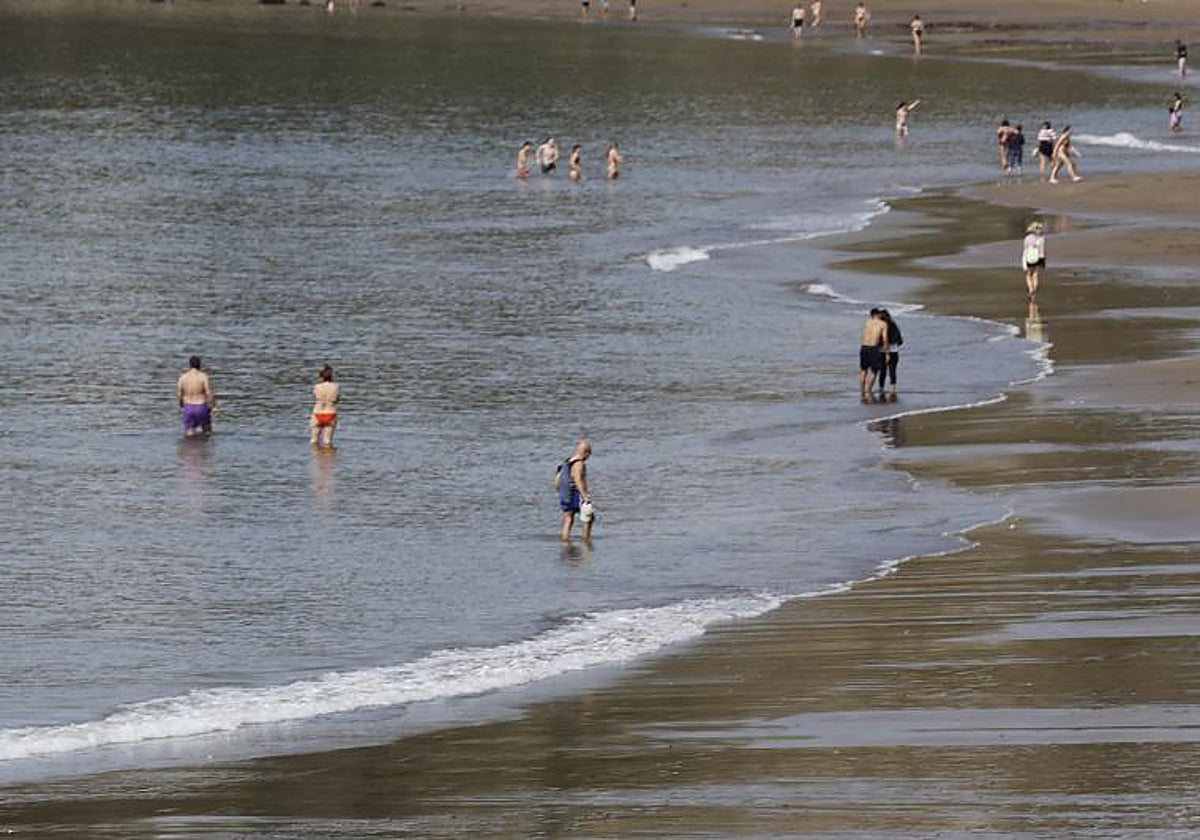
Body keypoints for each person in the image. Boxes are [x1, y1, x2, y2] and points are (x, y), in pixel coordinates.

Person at [557, 439, 594, 542]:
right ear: (586, 453)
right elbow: (577, 480)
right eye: (589, 454)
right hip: (574, 493)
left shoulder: (569, 461)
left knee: (568, 517)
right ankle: (586, 541)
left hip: (566, 493)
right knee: (588, 518)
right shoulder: (579, 464)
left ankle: (565, 540)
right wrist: (584, 496)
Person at [177, 355, 216, 438]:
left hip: (188, 407)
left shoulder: (183, 377)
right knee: (207, 431)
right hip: (201, 406)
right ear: (199, 365)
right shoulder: (203, 376)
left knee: (189, 434)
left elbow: (179, 394)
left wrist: (181, 405)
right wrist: (213, 405)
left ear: (189, 365)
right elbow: (208, 392)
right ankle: (205, 450)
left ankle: (190, 449)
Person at [859, 308, 889, 399]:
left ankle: (862, 390)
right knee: (874, 370)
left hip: (864, 347)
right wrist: (887, 353)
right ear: (878, 314)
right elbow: (885, 339)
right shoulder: (883, 324)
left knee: (863, 369)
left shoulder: (867, 322)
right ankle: (868, 390)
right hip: (874, 348)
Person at [310, 364, 340, 449]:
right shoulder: (336, 386)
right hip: (331, 413)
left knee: (314, 441)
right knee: (327, 442)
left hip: (317, 413)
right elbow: (337, 400)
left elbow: (315, 397)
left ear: (320, 375)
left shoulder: (317, 386)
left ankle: (315, 460)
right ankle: (329, 460)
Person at [877, 309, 903, 398]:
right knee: (893, 370)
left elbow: (878, 340)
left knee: (882, 371)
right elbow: (900, 341)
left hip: (881, 351)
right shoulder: (894, 325)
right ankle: (893, 388)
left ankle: (881, 388)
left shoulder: (880, 326)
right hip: (894, 351)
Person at [1022, 220, 1046, 299]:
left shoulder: (1027, 238)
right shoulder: (1041, 239)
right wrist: (1043, 262)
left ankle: (1030, 289)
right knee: (1035, 275)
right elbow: (1041, 251)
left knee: (1028, 275)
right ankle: (1034, 291)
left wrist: (1023, 261)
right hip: (1037, 258)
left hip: (1029, 258)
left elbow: (1025, 250)